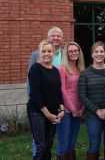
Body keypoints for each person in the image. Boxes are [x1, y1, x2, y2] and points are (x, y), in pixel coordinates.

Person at [27, 26, 64, 158]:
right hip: (38, 112)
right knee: (40, 146)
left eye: (49, 51)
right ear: (40, 53)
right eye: (44, 51)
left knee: (48, 145)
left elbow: (58, 92)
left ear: (53, 53)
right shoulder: (35, 69)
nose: (47, 54)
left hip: (53, 112)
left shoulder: (55, 70)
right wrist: (47, 114)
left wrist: (62, 109)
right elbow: (35, 94)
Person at [78, 42, 105, 160]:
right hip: (92, 114)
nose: (99, 54)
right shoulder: (85, 73)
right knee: (94, 145)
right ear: (92, 54)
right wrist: (97, 111)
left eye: (101, 51)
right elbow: (82, 95)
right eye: (96, 52)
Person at [56, 42, 85, 160]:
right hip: (66, 110)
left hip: (78, 110)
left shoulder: (81, 69)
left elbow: (83, 89)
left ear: (79, 52)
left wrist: (82, 108)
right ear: (66, 54)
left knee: (72, 141)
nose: (73, 53)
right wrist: (72, 109)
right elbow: (62, 90)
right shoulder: (62, 69)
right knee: (64, 141)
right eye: (70, 51)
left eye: (75, 50)